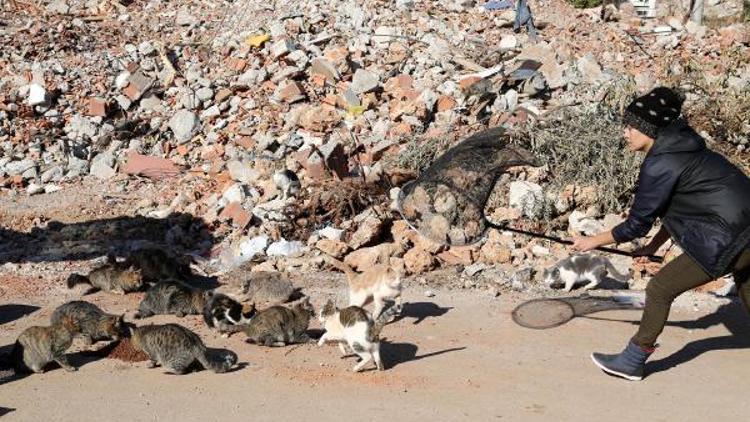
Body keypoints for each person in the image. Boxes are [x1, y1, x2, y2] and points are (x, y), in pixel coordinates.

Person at [570, 86, 750, 381]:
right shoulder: (685, 150)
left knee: (660, 289)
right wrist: (652, 246)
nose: (624, 133)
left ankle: (632, 360)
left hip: (729, 237)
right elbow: (679, 211)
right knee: (745, 278)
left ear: (648, 128)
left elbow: (636, 224)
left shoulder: (661, 163)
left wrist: (592, 241)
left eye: (630, 127)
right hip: (744, 232)